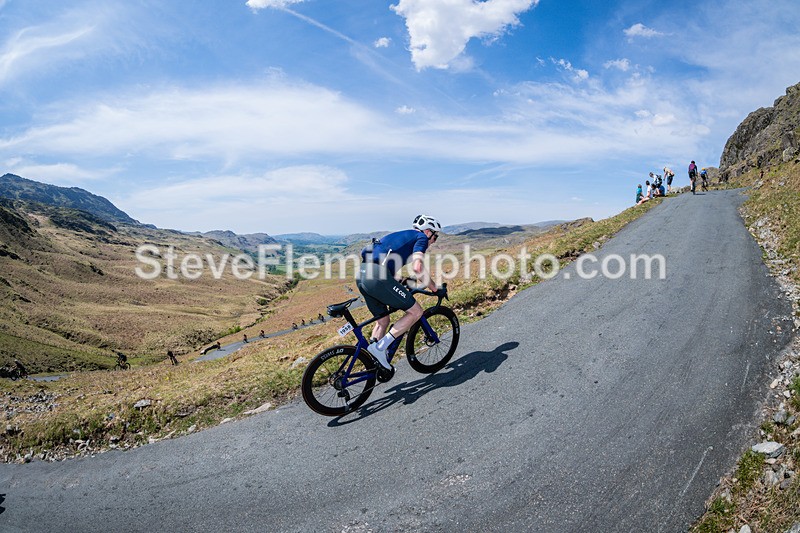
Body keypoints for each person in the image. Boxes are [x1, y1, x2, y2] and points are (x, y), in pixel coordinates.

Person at [357, 214, 445, 371]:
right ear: (428, 232)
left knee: (382, 320)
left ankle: (372, 364)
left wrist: (403, 280)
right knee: (416, 312)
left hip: (362, 274)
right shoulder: (421, 238)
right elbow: (418, 268)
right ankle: (380, 348)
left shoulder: (400, 236)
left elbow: (371, 257)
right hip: (378, 276)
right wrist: (434, 288)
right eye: (435, 236)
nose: (433, 241)